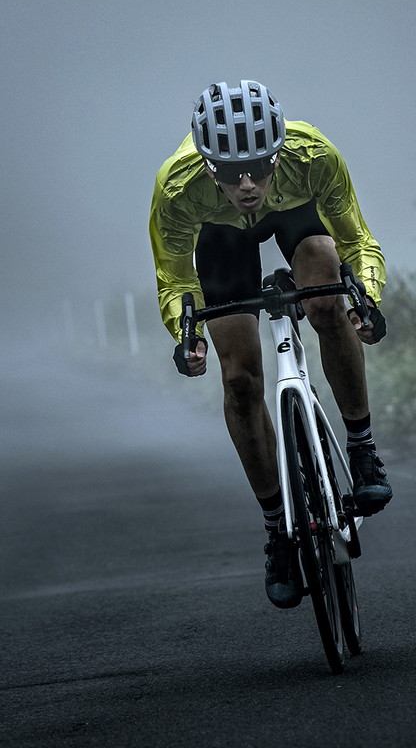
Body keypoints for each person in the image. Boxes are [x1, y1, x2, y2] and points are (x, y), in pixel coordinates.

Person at [149, 79, 392, 609]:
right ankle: (278, 529)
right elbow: (176, 280)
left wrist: (365, 299)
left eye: (259, 167)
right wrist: (186, 335)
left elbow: (356, 241)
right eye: (229, 171)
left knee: (326, 301)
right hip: (220, 238)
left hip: (295, 214)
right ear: (206, 163)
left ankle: (363, 449)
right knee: (239, 380)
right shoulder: (177, 186)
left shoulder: (314, 156)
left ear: (277, 153)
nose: (247, 185)